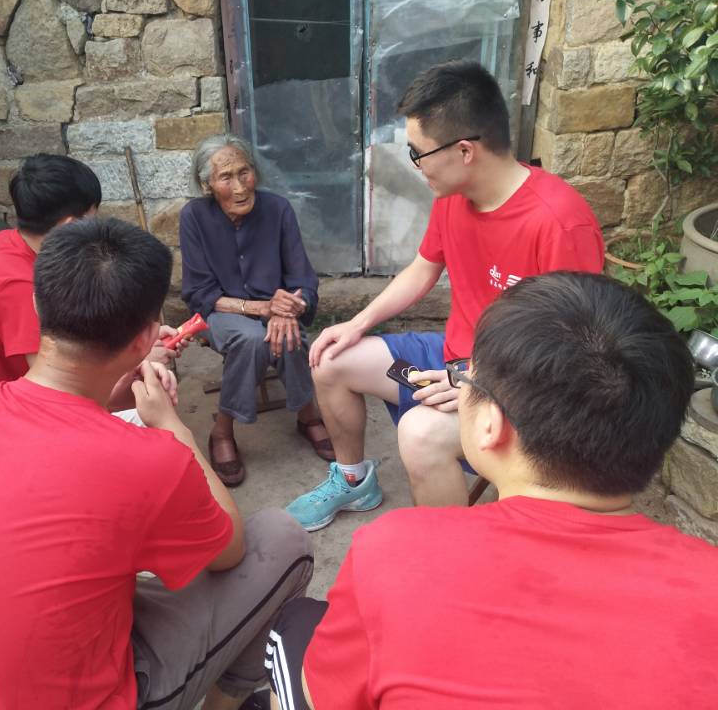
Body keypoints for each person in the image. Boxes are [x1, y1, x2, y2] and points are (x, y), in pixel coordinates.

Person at [0, 217, 314, 710]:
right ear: (147, 339)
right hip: (95, 699)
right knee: (282, 538)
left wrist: (108, 394)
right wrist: (172, 426)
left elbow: (55, 453)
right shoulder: (149, 460)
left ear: (37, 304)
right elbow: (228, 551)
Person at [264, 271, 718, 710]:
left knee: (295, 625)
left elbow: (327, 697)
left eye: (465, 379)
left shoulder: (392, 552)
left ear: (491, 424)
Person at [287, 60, 605, 530]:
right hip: (449, 363)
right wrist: (357, 323)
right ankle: (354, 481)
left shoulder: (559, 223)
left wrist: (477, 381)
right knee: (330, 358)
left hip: (520, 388)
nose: (414, 165)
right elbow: (422, 270)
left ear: (464, 150)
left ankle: (455, 553)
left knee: (419, 433)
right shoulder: (452, 196)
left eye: (417, 153)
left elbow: (573, 349)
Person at [0, 153, 180, 407]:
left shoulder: (9, 243)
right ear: (70, 225)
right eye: (93, 218)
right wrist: (136, 360)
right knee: (147, 403)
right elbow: (61, 397)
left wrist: (131, 342)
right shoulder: (19, 287)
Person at [180, 134, 333, 487]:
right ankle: (223, 430)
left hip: (277, 311)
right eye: (226, 177)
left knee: (288, 333)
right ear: (207, 185)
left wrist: (286, 309)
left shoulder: (278, 209)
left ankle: (307, 416)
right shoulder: (194, 217)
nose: (239, 186)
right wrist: (262, 307)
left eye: (244, 172)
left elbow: (303, 280)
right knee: (250, 340)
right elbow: (200, 292)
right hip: (221, 312)